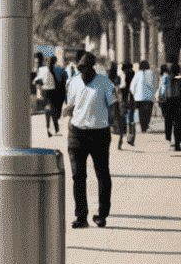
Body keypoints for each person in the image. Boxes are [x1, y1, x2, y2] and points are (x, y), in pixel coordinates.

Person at [66, 53, 116, 228]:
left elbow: (113, 105)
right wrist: (68, 114)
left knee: (102, 174)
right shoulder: (73, 82)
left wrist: (115, 124)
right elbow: (70, 105)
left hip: (99, 134)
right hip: (76, 134)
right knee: (78, 176)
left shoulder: (104, 82)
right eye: (79, 67)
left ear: (93, 67)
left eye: (85, 67)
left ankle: (102, 215)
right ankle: (81, 217)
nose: (82, 71)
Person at [35, 55, 62, 135]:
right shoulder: (49, 69)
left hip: (48, 91)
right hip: (49, 91)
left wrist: (39, 89)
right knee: (51, 110)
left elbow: (37, 81)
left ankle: (51, 129)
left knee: (49, 111)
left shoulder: (45, 69)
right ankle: (53, 130)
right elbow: (38, 81)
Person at [108, 61, 129, 150]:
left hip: (109, 103)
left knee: (109, 123)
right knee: (120, 122)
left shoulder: (106, 78)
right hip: (118, 102)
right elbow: (122, 87)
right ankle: (119, 142)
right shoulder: (119, 77)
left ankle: (107, 142)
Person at [131, 59, 157, 133]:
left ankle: (143, 128)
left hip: (139, 97)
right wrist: (153, 92)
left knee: (141, 113)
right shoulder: (152, 73)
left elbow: (133, 85)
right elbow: (155, 84)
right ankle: (145, 126)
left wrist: (134, 94)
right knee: (148, 113)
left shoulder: (138, 74)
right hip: (149, 98)